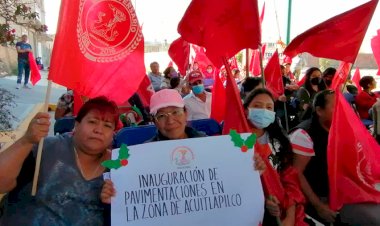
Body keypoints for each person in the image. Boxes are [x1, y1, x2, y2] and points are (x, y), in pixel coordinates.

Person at [100, 89, 266, 208]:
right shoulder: (140, 158)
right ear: (155, 121)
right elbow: (131, 198)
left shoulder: (210, 146)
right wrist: (114, 195)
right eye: (162, 116)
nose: (170, 121)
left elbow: (229, 181)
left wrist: (250, 170)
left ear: (186, 113)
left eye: (175, 112)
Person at [0, 96, 119, 225]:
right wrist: (26, 141)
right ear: (76, 125)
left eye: (107, 125)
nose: (99, 130)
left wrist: (113, 204)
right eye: (92, 122)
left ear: (113, 134)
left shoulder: (121, 168)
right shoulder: (45, 149)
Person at [290, 90, 380, 225]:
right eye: (336, 106)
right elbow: (296, 173)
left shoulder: (342, 129)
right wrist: (319, 206)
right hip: (321, 197)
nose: (343, 110)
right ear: (319, 111)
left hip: (346, 190)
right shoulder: (304, 135)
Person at [243, 88, 306, 226]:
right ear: (246, 110)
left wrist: (289, 215)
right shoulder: (234, 141)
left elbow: (289, 181)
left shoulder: (279, 143)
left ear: (273, 114)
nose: (263, 111)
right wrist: (264, 201)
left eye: (269, 107)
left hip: (280, 209)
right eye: (257, 106)